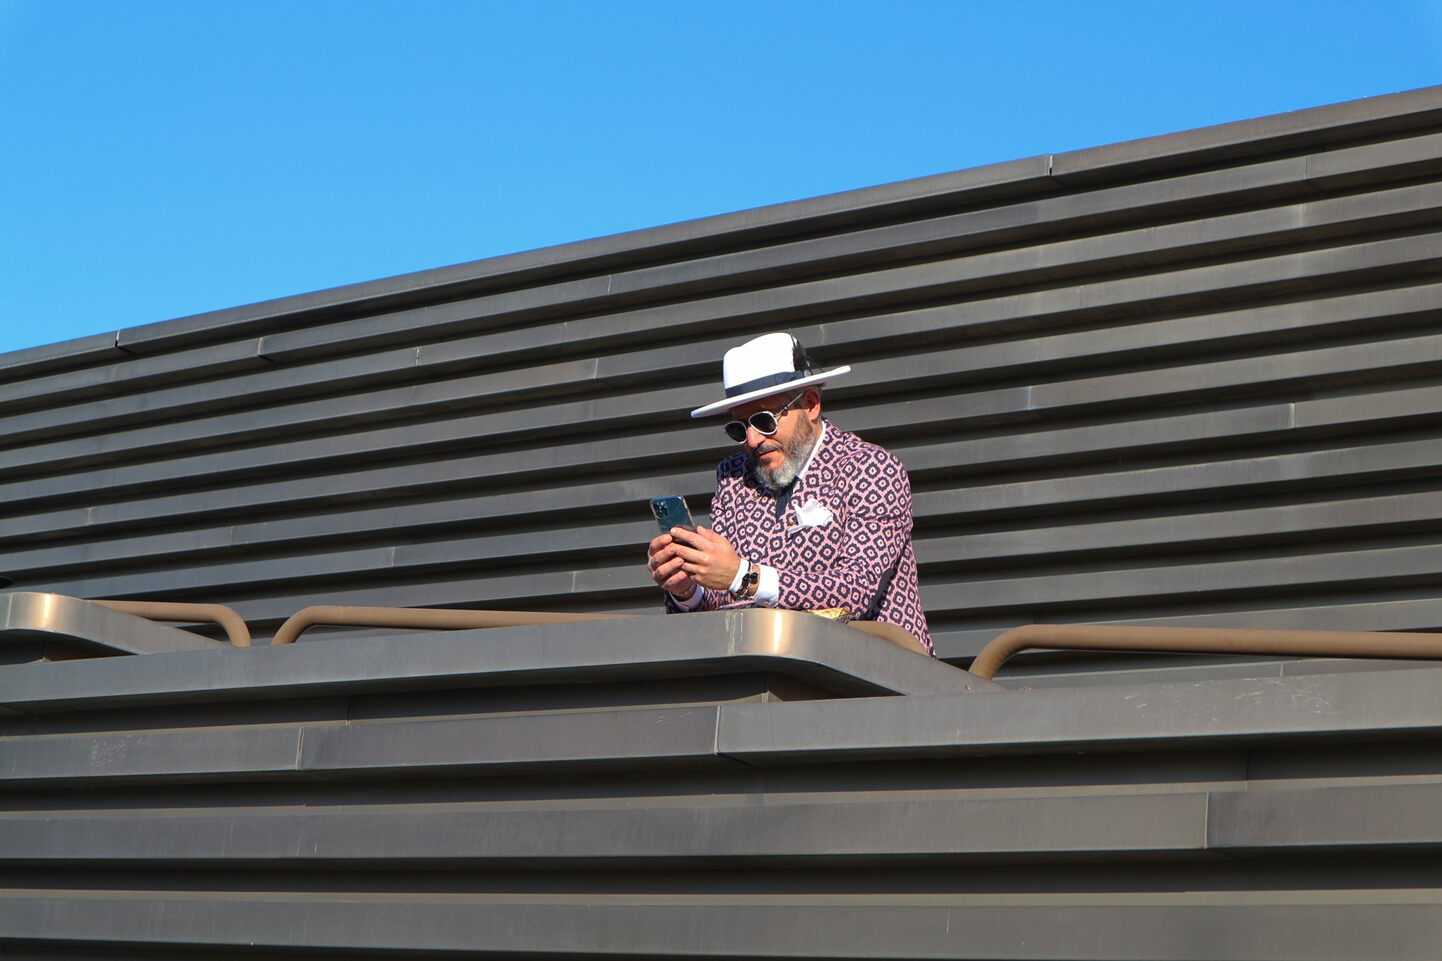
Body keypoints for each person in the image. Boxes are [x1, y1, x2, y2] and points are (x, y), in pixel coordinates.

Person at [645, 331, 933, 655]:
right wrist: (687, 589)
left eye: (764, 420)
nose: (753, 440)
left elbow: (855, 591)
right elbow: (724, 598)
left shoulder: (871, 467)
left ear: (810, 404)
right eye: (739, 427)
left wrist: (742, 576)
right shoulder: (733, 475)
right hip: (768, 670)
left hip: (878, 670)